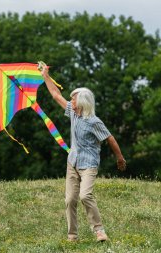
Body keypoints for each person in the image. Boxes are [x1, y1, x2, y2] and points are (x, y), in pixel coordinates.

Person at [40, 64, 126, 242]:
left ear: (82, 102)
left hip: (89, 164)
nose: (70, 101)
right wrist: (45, 75)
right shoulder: (73, 112)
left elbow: (109, 138)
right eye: (71, 99)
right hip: (72, 162)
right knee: (70, 199)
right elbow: (56, 95)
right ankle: (72, 236)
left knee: (85, 195)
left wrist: (120, 158)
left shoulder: (94, 121)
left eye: (73, 99)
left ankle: (99, 231)